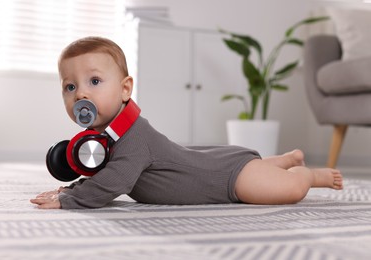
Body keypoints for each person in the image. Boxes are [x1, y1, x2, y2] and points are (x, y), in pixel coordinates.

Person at [30, 36, 343, 209]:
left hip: (227, 181)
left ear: (126, 89)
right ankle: (284, 160)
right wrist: (71, 187)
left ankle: (306, 173)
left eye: (94, 81)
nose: (80, 93)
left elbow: (116, 182)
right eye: (70, 87)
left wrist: (70, 199)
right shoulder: (105, 139)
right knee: (257, 171)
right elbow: (105, 172)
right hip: (209, 162)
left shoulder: (134, 137)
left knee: (284, 191)